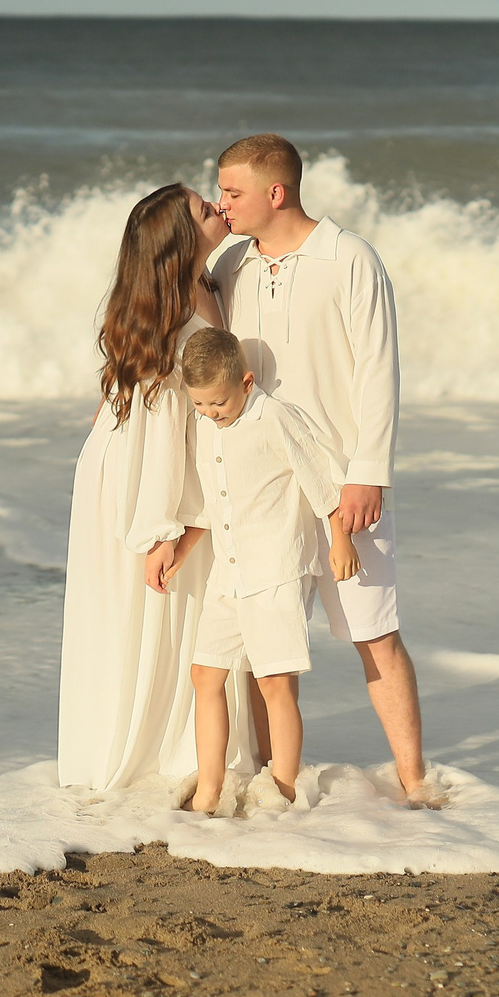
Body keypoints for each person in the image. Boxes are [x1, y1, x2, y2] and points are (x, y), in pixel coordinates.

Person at [210, 133, 439, 807]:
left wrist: (368, 474)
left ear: (275, 192)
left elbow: (379, 371)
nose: (222, 204)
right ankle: (272, 783)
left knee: (375, 632)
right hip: (263, 491)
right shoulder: (230, 265)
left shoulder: (350, 258)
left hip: (343, 483)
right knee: (265, 644)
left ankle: (416, 780)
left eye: (232, 192)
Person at [56, 182, 245, 791]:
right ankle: (152, 759)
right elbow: (163, 433)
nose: (216, 206)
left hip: (144, 467)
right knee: (155, 603)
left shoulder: (210, 285)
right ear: (179, 242)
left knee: (174, 613)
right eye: (201, 208)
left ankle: (183, 751)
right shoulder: (176, 321)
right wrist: (172, 528)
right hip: (142, 481)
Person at [144, 328, 358, 814]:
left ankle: (282, 791)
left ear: (246, 381)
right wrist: (176, 551)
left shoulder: (273, 418)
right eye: (200, 405)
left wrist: (340, 538)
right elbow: (207, 505)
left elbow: (318, 478)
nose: (210, 414)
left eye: (218, 403)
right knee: (204, 674)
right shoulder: (207, 427)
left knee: (274, 684)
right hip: (230, 572)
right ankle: (208, 791)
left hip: (275, 571)